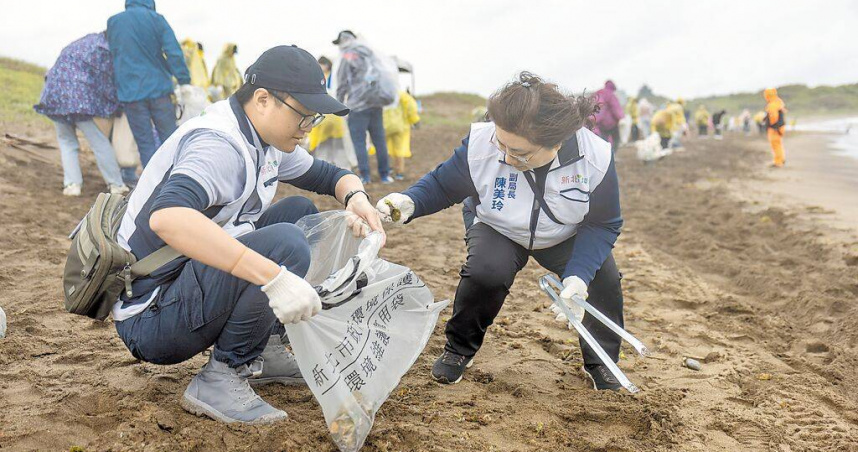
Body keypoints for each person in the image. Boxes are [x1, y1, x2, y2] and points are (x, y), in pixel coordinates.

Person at [112, 45, 384, 424]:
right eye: (304, 117)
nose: (308, 129)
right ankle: (223, 374)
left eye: (314, 119)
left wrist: (356, 197)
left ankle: (266, 349)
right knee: (286, 246)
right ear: (262, 100)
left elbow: (328, 176)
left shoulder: (265, 138)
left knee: (299, 213)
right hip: (153, 315)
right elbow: (168, 218)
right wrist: (273, 278)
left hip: (182, 281)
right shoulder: (220, 145)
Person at [377, 72, 626, 390]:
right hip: (498, 226)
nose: (506, 157)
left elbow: (603, 223)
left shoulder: (595, 158)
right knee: (485, 273)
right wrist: (409, 202)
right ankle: (458, 350)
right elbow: (443, 184)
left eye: (520, 153)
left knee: (603, 280)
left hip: (565, 233)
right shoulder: (482, 142)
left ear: (556, 143)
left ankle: (602, 362)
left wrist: (578, 276)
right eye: (502, 145)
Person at [34, 32, 129, 197]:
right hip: (79, 98)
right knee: (99, 142)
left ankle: (72, 185)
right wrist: (117, 105)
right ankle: (116, 184)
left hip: (54, 93)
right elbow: (107, 81)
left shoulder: (83, 42)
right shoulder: (104, 48)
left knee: (67, 142)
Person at [107, 0, 191, 182]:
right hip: (159, 89)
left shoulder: (114, 22)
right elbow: (174, 52)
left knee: (145, 143)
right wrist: (184, 80)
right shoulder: (157, 20)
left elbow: (115, 54)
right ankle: (178, 181)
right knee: (170, 139)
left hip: (130, 92)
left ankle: (154, 184)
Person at [334, 30, 395, 184]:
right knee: (379, 140)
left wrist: (339, 105)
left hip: (357, 107)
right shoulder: (370, 53)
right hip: (376, 103)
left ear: (343, 41)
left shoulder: (347, 56)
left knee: (359, 142)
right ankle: (385, 175)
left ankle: (365, 176)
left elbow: (342, 83)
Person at [307, 56, 358, 169]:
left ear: (327, 65)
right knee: (324, 148)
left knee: (337, 147)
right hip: (326, 120)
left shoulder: (333, 77)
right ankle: (325, 169)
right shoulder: (324, 77)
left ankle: (340, 170)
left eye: (321, 64)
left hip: (333, 118)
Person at [384, 90, 421, 180]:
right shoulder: (402, 95)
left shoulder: (383, 93)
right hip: (400, 126)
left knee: (385, 148)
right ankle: (399, 173)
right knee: (399, 150)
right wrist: (415, 120)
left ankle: (386, 170)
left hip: (385, 125)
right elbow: (411, 107)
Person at [592, 80, 624, 152]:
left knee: (603, 141)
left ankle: (604, 156)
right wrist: (621, 117)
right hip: (610, 123)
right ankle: (612, 155)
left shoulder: (598, 93)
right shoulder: (611, 94)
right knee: (616, 139)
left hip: (599, 123)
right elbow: (615, 107)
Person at [763, 88, 786, 167]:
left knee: (775, 145)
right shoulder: (778, 101)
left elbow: (774, 117)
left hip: (775, 128)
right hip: (779, 127)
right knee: (778, 144)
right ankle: (781, 159)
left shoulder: (772, 104)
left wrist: (774, 127)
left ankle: (778, 162)